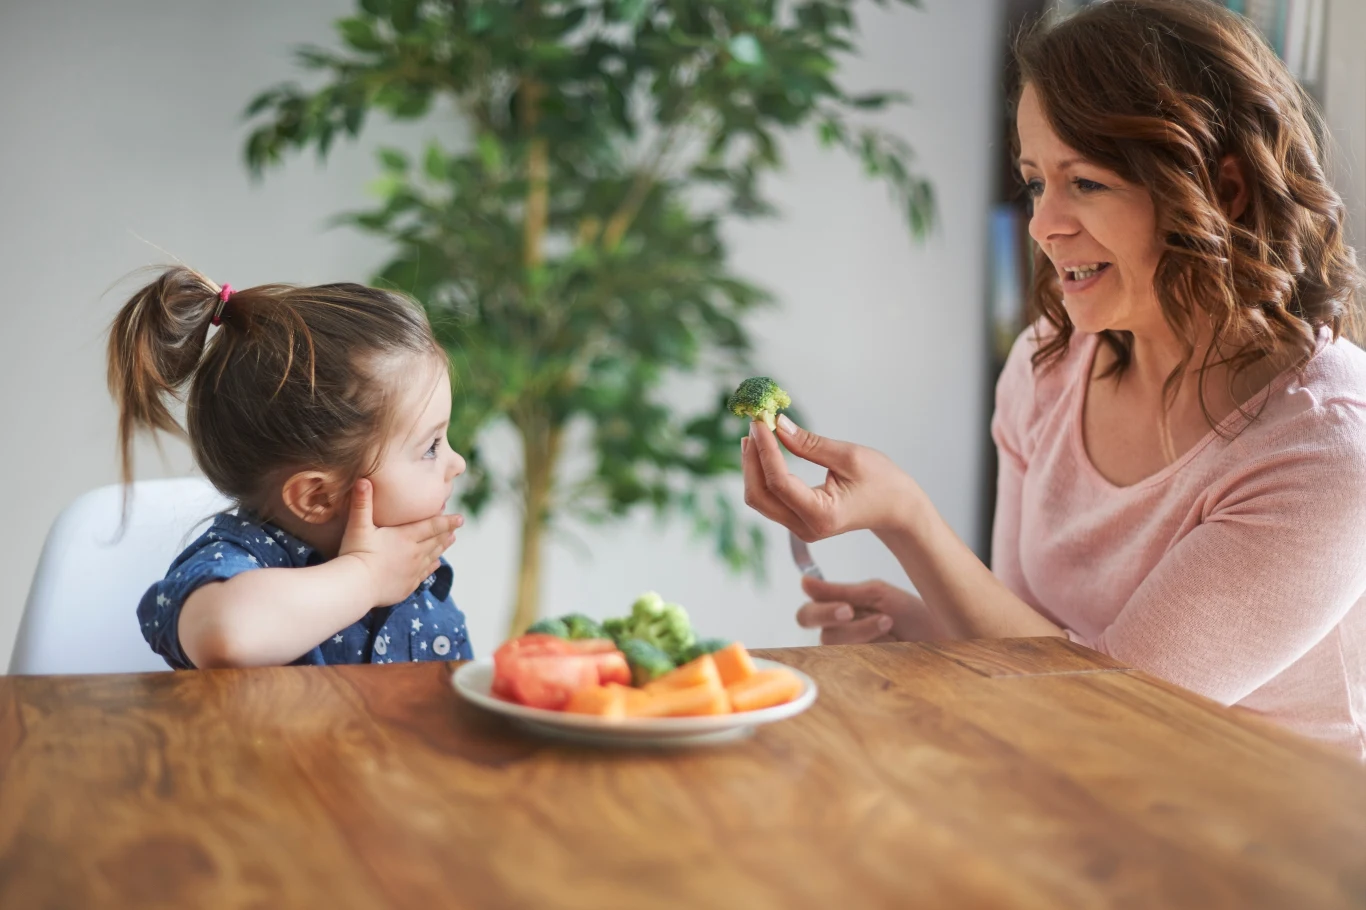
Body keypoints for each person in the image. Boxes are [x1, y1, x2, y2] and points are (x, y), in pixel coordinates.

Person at [740, 0, 1366, 757]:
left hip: (1254, 842)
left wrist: (907, 518)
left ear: (1224, 191)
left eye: (1088, 183)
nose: (1042, 225)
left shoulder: (1327, 445)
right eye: (1037, 182)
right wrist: (922, 627)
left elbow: (1117, 719)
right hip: (1081, 798)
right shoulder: (1050, 363)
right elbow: (1039, 651)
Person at [107, 268, 470, 668]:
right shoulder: (238, 562)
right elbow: (227, 634)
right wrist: (366, 577)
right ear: (317, 496)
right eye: (431, 447)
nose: (458, 463)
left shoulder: (415, 572)